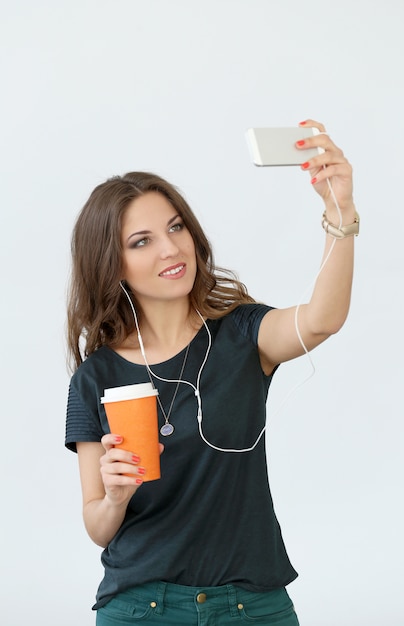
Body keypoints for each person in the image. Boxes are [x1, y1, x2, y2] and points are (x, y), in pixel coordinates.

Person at [65, 119, 357, 625]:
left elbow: (321, 319)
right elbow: (97, 524)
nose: (170, 248)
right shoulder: (96, 378)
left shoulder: (243, 334)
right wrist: (114, 496)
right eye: (142, 241)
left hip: (253, 606)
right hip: (141, 608)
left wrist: (340, 213)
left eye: (176, 227)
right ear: (111, 264)